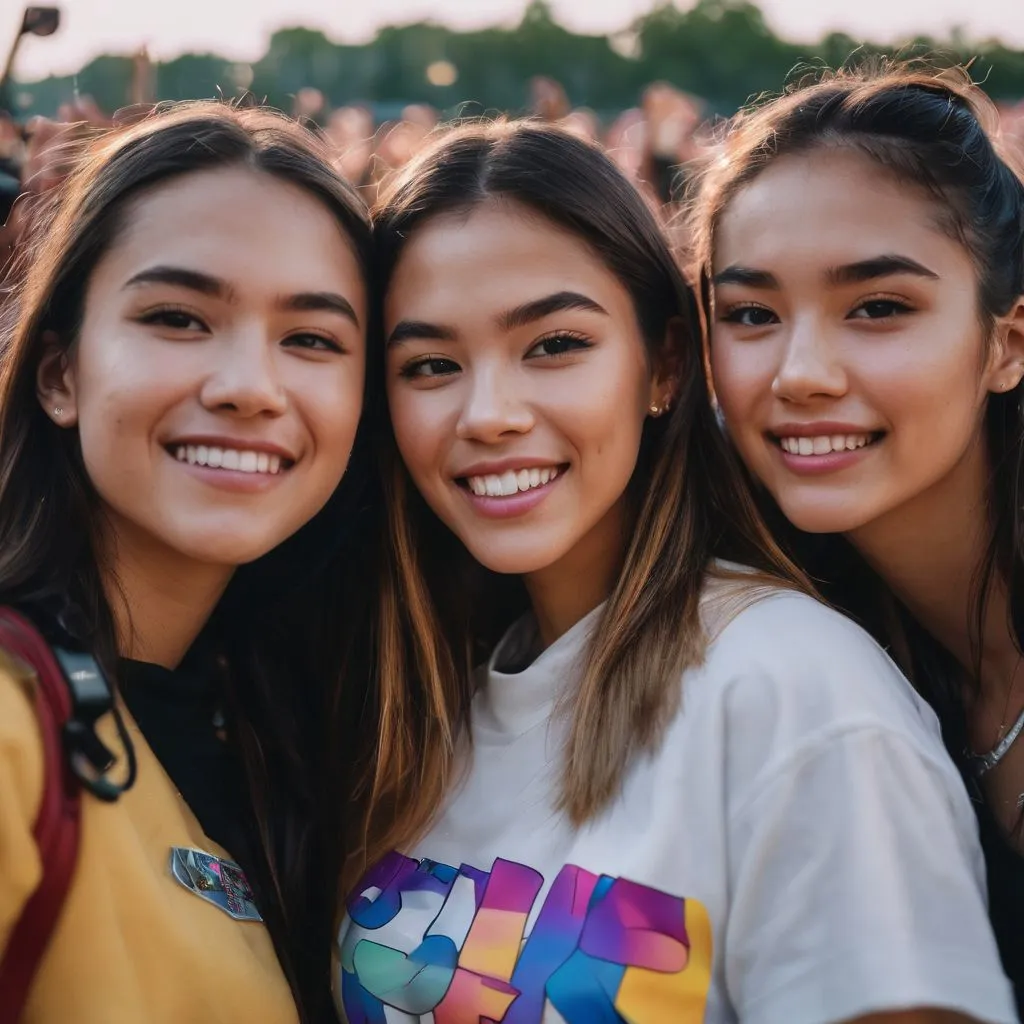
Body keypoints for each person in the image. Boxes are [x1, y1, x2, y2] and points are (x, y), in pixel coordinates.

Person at [334, 120, 1016, 1024]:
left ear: (663, 364)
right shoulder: (410, 706)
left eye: (555, 344)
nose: (488, 413)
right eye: (429, 365)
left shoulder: (794, 686)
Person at [0, 101, 372, 1023]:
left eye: (313, 339)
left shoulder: (316, 720)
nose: (249, 386)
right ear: (59, 375)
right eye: (178, 317)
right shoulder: (11, 719)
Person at [691, 64, 1024, 1014]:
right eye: (751, 314)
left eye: (878, 307)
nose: (799, 373)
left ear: (1007, 345)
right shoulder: (795, 647)